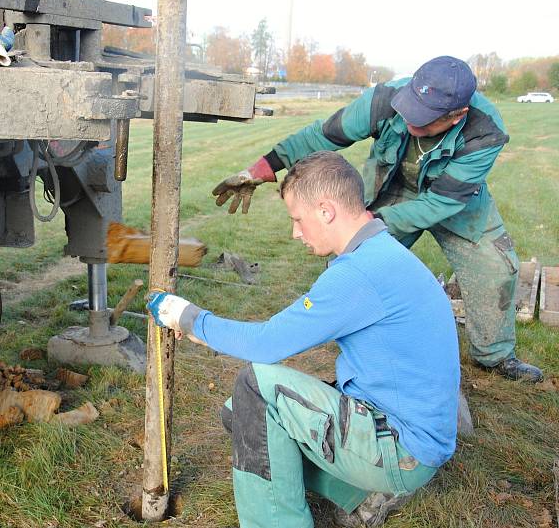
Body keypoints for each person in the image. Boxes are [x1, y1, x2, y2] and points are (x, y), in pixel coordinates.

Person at [146, 151, 460, 528]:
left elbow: (267, 344)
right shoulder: (381, 253)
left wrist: (189, 318)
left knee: (254, 389)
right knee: (239, 414)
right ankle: (361, 497)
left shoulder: (360, 272)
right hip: (413, 435)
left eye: (297, 218)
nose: (295, 232)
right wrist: (206, 332)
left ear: (325, 210)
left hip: (402, 447)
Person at [211, 56, 542, 383]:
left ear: (458, 116)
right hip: (393, 186)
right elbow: (323, 135)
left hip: (455, 200)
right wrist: (262, 168)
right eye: (410, 108)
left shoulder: (486, 131)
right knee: (354, 263)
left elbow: (439, 203)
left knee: (497, 269)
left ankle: (495, 355)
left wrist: (365, 220)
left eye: (424, 119)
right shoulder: (385, 99)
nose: (411, 120)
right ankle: (351, 332)